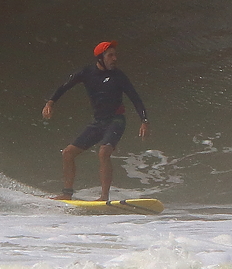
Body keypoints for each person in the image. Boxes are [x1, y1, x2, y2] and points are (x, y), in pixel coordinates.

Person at [41, 41, 150, 202]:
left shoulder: (119, 76)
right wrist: (50, 102)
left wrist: (144, 121)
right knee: (68, 153)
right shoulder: (86, 73)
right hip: (98, 122)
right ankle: (66, 193)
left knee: (104, 152)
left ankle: (104, 196)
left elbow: (135, 98)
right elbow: (65, 86)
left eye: (115, 55)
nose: (114, 58)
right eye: (110, 55)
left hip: (116, 120)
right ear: (100, 58)